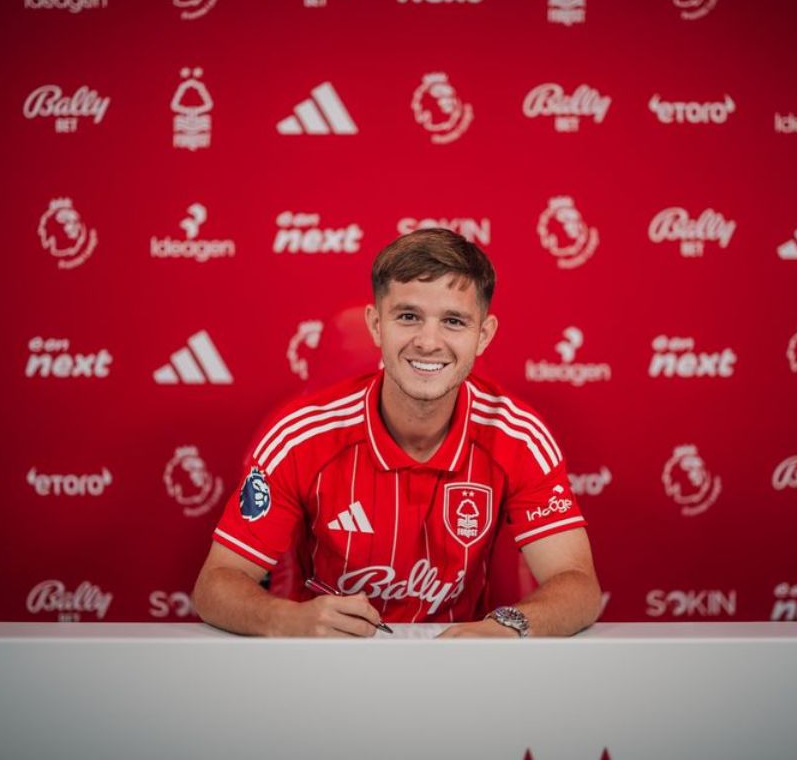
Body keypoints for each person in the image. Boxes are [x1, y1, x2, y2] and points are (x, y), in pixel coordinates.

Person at [192, 230, 601, 637]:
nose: (428, 342)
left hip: (458, 660)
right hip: (328, 660)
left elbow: (578, 585)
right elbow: (215, 584)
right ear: (376, 325)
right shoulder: (300, 436)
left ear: (483, 335)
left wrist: (504, 628)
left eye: (453, 321)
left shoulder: (518, 437)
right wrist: (287, 620)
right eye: (408, 317)